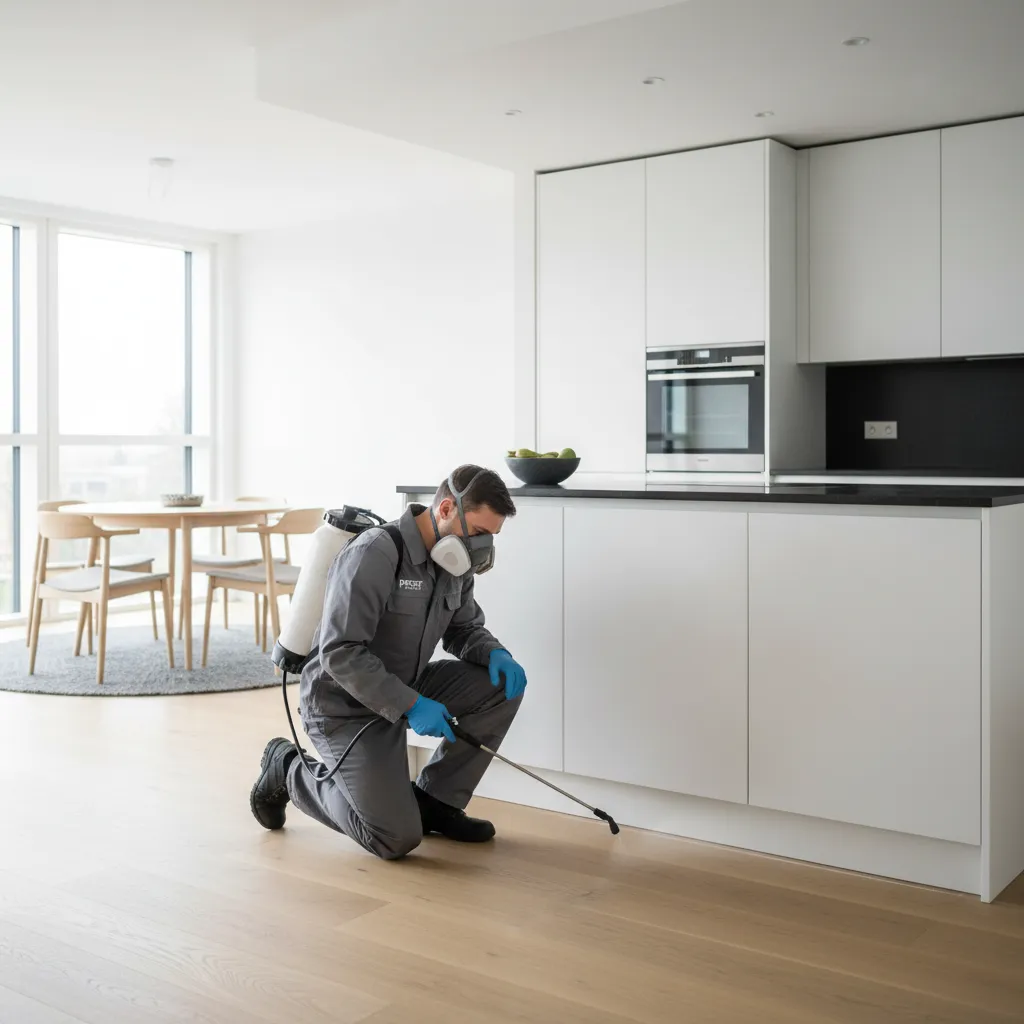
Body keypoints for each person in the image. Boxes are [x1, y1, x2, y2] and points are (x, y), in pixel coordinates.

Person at [249, 464, 527, 859]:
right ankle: (288, 769)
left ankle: (435, 802)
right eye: (480, 533)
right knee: (393, 838)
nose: (484, 547)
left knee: (498, 689)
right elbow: (339, 652)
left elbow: (463, 628)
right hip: (341, 706)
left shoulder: (455, 562)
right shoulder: (376, 552)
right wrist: (411, 705)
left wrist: (495, 652)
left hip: (404, 685)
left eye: (492, 537)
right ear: (447, 509)